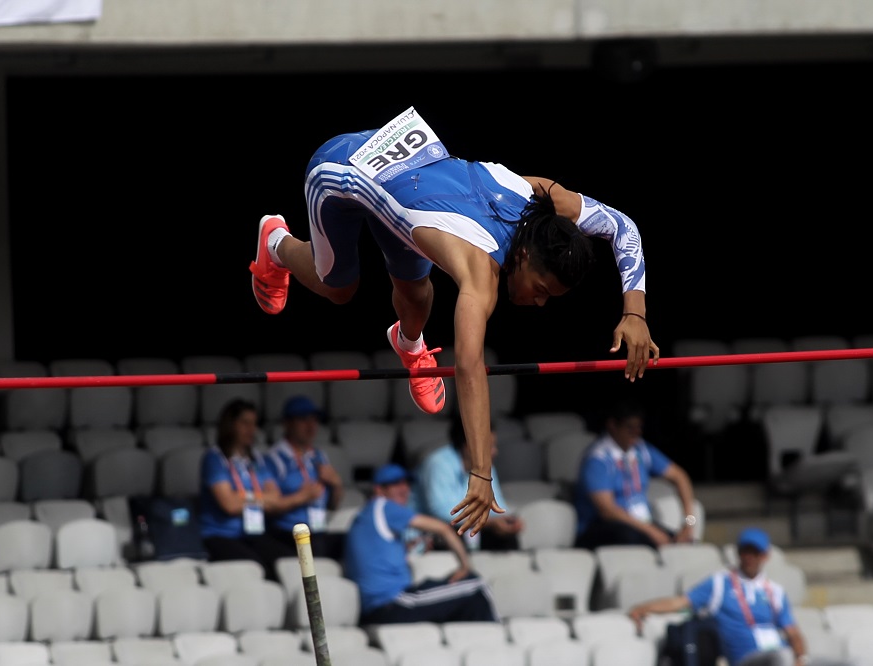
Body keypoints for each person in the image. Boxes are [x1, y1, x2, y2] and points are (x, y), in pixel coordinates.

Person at [249, 105, 660, 540]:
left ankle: (408, 343)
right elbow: (469, 367)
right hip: (341, 171)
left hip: (407, 179)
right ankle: (275, 242)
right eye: (541, 289)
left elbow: (623, 226)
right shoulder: (478, 273)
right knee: (338, 287)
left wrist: (635, 312)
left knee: (416, 295)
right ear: (523, 257)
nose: (538, 303)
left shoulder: (537, 195)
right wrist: (480, 472)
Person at [628, 527, 848, 666]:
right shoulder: (719, 583)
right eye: (746, 551)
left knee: (851, 663)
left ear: (766, 555)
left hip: (783, 656)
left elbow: (794, 634)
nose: (750, 557)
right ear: (738, 552)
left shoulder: (775, 591)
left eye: (756, 552)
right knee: (781, 657)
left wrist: (801, 658)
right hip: (747, 659)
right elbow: (681, 602)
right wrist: (642, 608)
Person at [343, 462, 499, 626]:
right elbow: (443, 529)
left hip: (380, 607)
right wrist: (465, 566)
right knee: (477, 586)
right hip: (392, 603)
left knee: (455, 590)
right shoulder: (383, 506)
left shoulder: (365, 516)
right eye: (396, 484)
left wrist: (408, 549)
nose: (404, 489)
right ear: (379, 490)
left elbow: (376, 558)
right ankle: (496, 644)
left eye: (406, 483)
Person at [573, 398, 697, 551]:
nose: (636, 433)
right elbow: (608, 511)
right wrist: (651, 531)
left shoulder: (641, 449)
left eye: (639, 428)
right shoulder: (598, 459)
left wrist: (689, 524)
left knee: (683, 545)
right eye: (630, 428)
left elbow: (680, 477)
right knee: (638, 540)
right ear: (613, 426)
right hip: (604, 528)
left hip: (641, 523)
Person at [197, 398, 299, 580]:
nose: (252, 430)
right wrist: (260, 498)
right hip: (220, 536)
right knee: (259, 569)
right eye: (245, 423)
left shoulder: (257, 459)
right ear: (230, 425)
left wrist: (242, 497)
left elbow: (276, 498)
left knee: (290, 563)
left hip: (253, 533)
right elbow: (229, 505)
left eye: (254, 424)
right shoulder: (214, 458)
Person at [413, 412, 524, 551]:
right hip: (432, 533)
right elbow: (442, 512)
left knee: (506, 536)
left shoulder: (488, 467)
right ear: (468, 445)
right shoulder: (438, 463)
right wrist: (489, 522)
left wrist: (508, 521)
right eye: (489, 447)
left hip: (469, 528)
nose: (495, 452)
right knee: (453, 533)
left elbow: (497, 506)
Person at [262, 394, 347, 561]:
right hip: (288, 534)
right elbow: (269, 506)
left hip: (318, 530)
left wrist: (337, 485)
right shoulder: (274, 458)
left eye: (314, 419)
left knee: (351, 543)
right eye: (303, 419)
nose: (311, 425)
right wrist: (301, 497)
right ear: (287, 423)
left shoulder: (319, 456)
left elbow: (332, 505)